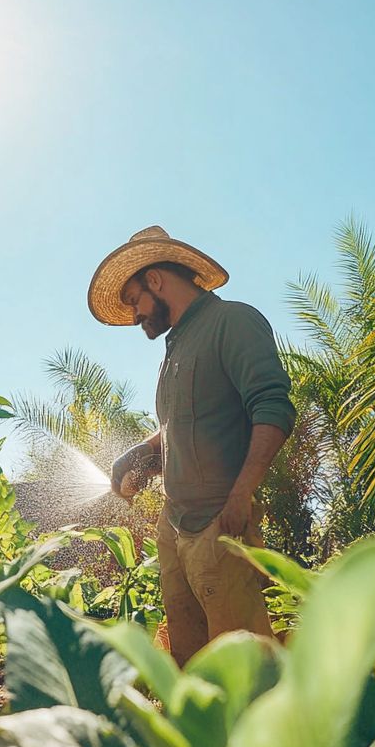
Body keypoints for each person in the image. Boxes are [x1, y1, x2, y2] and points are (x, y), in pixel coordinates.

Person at [87, 225, 296, 665]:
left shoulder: (232, 322)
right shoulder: (175, 348)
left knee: (244, 666)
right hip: (176, 525)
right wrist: (137, 455)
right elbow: (177, 426)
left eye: (135, 300)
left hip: (220, 524)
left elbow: (273, 408)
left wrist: (241, 495)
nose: (135, 315)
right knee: (191, 659)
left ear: (157, 280)